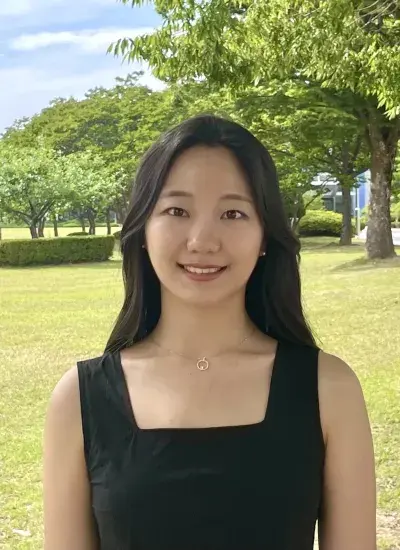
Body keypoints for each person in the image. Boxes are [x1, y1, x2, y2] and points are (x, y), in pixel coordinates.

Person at [43, 114, 377, 550]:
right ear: (143, 229)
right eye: (177, 210)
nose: (203, 240)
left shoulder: (329, 389)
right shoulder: (79, 399)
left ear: (264, 236)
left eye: (233, 213)